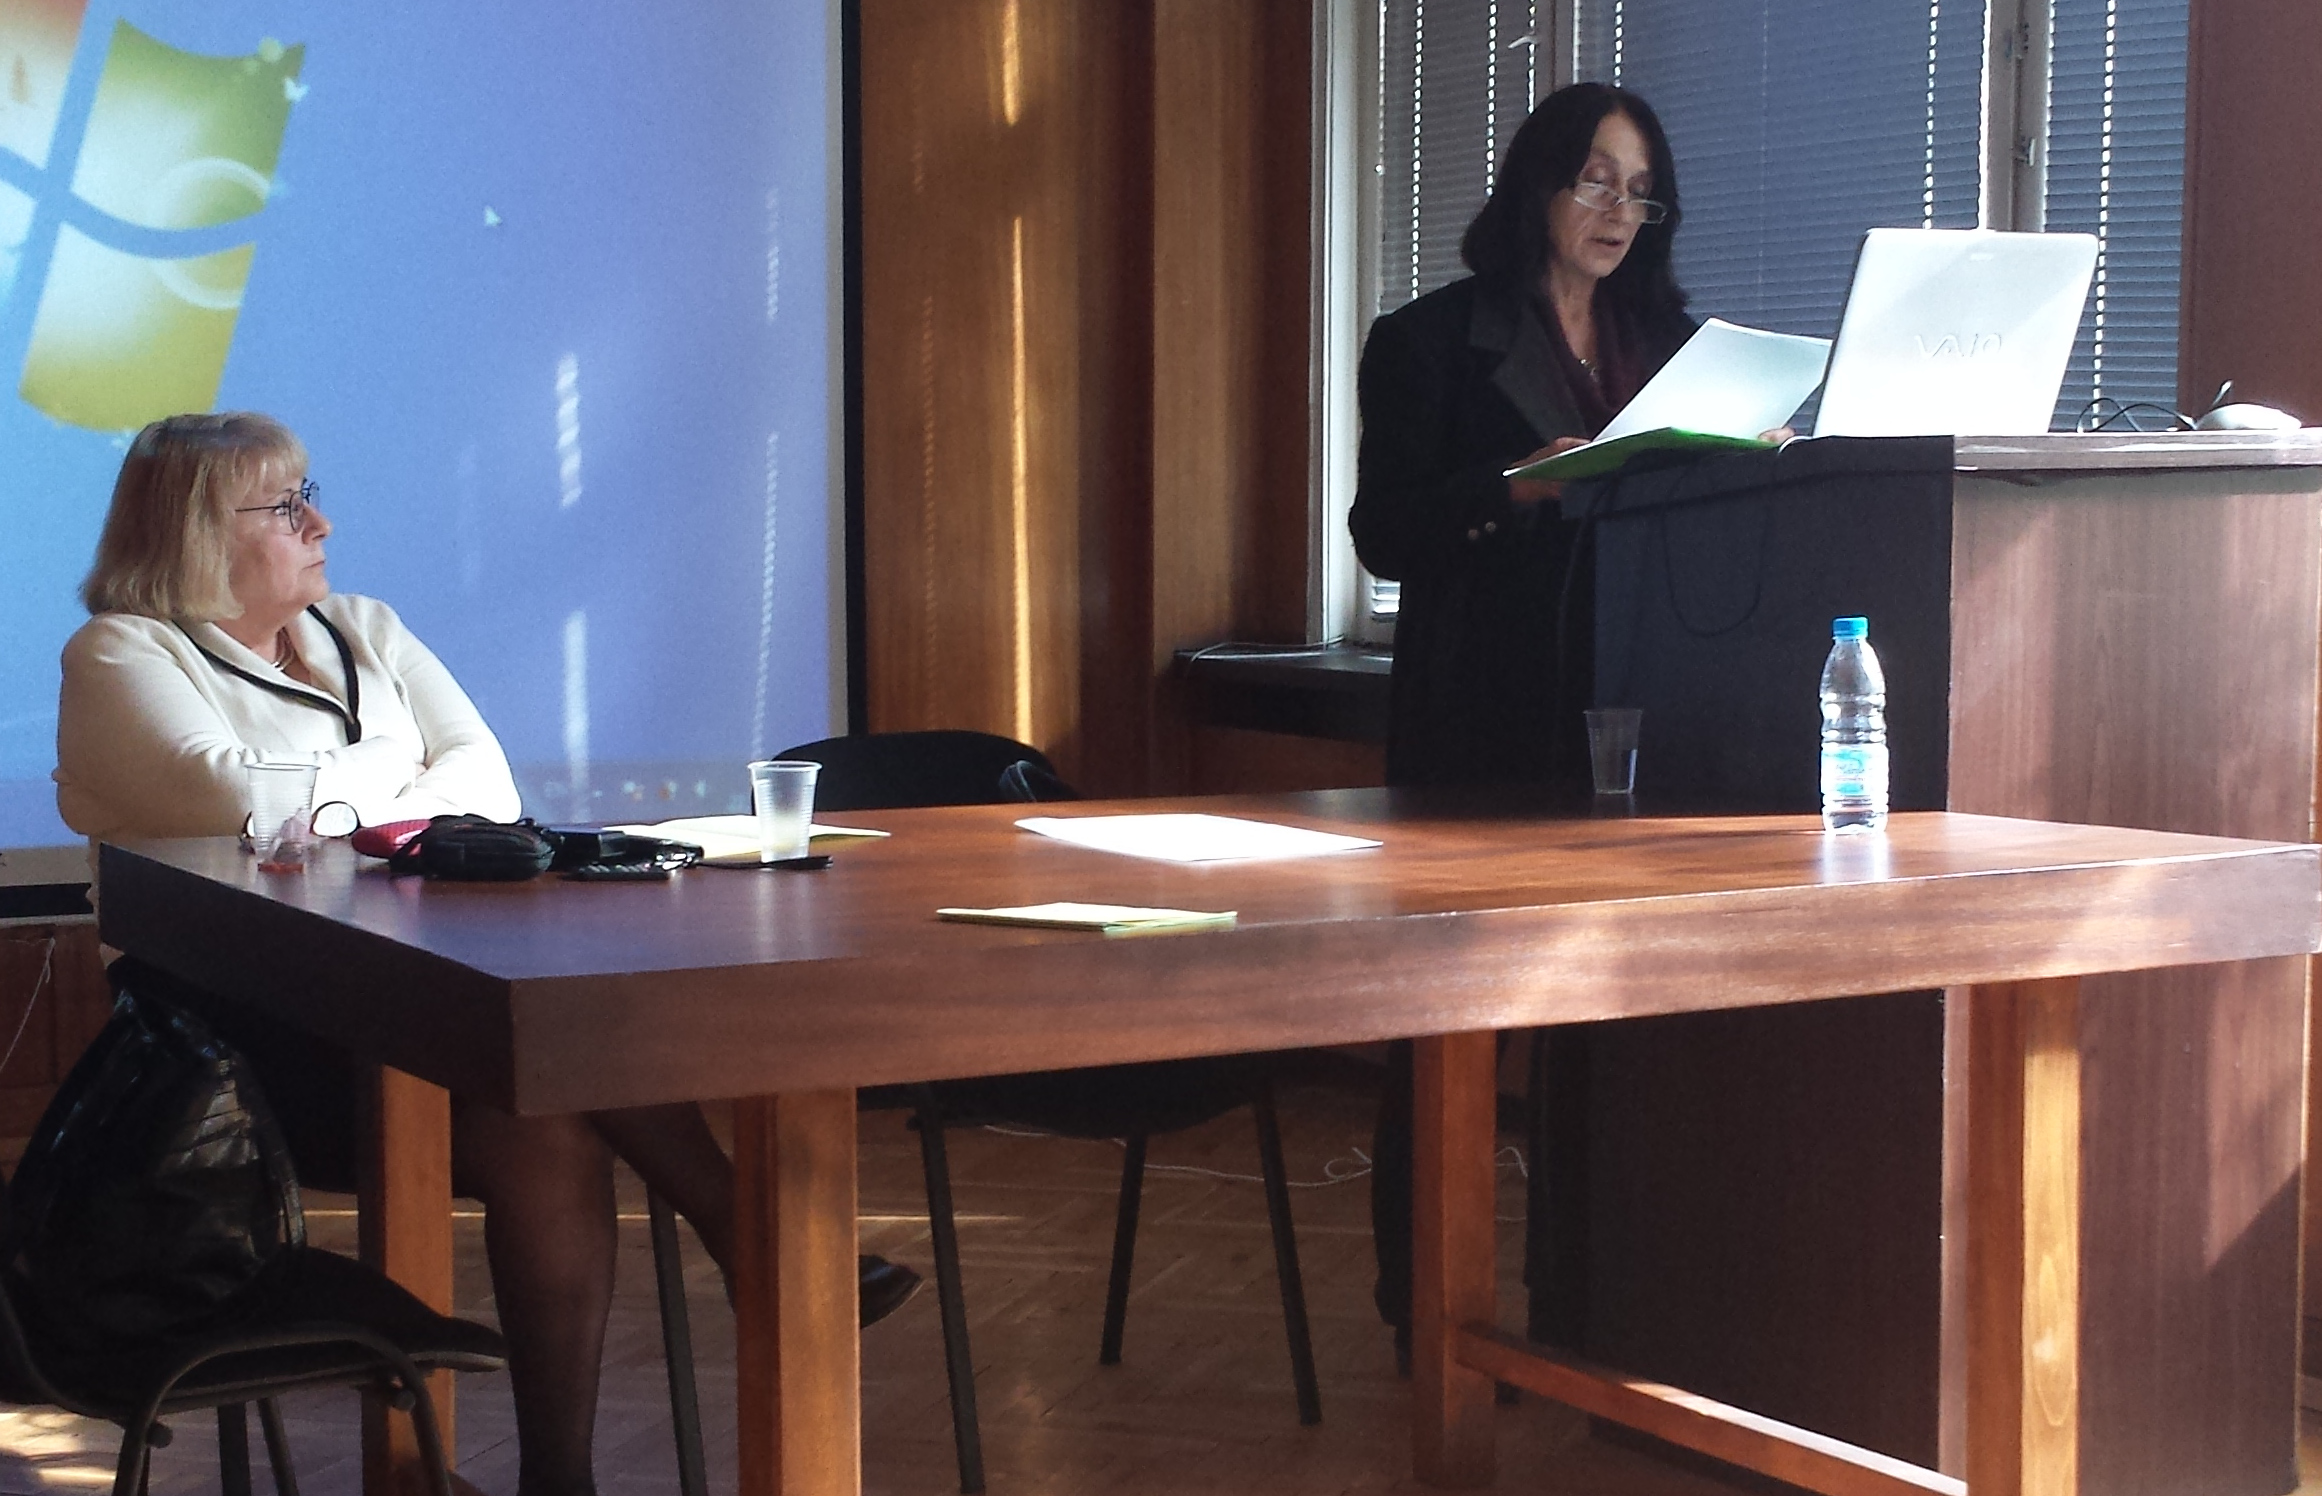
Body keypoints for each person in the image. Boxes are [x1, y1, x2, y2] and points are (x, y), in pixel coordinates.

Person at [53, 412, 920, 1496]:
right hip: (244, 1049)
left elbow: (489, 783)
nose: (321, 523)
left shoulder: (364, 625)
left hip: (417, 994)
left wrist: (337, 797)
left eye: (311, 493)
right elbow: (235, 798)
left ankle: (562, 1475)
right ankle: (749, 1241)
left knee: (548, 1106)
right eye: (284, 506)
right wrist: (398, 771)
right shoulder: (121, 651)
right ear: (196, 534)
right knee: (552, 1079)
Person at [1347, 83, 1708, 1360]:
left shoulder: (1675, 346)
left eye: (1641, 190)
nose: (1619, 209)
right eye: (1596, 178)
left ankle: (1592, 1307)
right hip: (1482, 715)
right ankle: (1431, 1316)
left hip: (1637, 709)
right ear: (1539, 184)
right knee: (1452, 1022)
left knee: (1612, 1028)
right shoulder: (1431, 340)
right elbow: (1383, 530)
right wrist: (1509, 485)